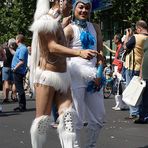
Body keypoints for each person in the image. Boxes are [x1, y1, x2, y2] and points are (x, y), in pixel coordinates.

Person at [29, 0, 98, 148]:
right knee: (42, 120)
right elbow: (52, 47)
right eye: (67, 0)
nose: (70, 3)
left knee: (68, 117)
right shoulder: (46, 20)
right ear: (58, 1)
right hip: (47, 76)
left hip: (63, 76)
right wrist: (79, 52)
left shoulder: (58, 22)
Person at [64, 0, 105, 147]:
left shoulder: (95, 27)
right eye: (80, 7)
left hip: (94, 75)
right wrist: (79, 53)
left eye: (87, 8)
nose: (84, 10)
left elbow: (100, 52)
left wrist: (99, 73)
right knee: (77, 117)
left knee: (98, 117)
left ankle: (90, 145)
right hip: (74, 75)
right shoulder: (69, 29)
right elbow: (57, 51)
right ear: (74, 8)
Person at [124, 20, 148, 120]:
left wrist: (127, 35)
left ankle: (134, 112)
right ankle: (141, 112)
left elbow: (125, 46)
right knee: (143, 92)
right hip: (142, 67)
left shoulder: (136, 37)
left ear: (139, 28)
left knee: (132, 90)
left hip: (133, 67)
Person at [103, 34, 127, 110]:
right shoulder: (119, 47)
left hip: (118, 68)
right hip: (116, 67)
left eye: (114, 39)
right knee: (117, 85)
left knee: (118, 85)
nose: (113, 40)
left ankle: (120, 104)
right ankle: (119, 104)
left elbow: (120, 59)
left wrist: (118, 69)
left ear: (117, 40)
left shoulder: (121, 47)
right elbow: (116, 55)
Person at [11, 34, 28, 112]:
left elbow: (21, 61)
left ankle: (22, 106)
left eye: (15, 39)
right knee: (19, 88)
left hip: (18, 71)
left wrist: (14, 68)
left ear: (18, 40)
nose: (15, 40)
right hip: (18, 71)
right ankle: (21, 105)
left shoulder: (22, 48)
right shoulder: (20, 48)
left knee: (20, 89)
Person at [134, 34, 148, 124]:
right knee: (144, 96)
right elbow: (143, 56)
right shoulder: (146, 39)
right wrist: (141, 72)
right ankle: (143, 117)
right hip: (145, 72)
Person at [2, 38, 17, 103]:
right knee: (14, 82)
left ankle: (6, 98)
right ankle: (14, 97)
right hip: (13, 68)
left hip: (6, 67)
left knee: (6, 82)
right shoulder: (15, 50)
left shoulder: (5, 50)